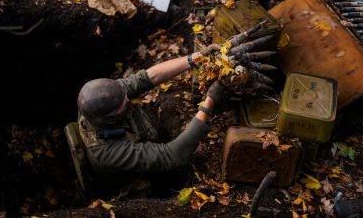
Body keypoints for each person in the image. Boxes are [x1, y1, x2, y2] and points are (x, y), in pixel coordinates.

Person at [76, 29, 275, 194]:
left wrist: (197, 57)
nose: (127, 97)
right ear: (110, 119)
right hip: (132, 177)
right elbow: (172, 155)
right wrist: (210, 100)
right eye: (123, 104)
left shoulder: (104, 98)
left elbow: (147, 78)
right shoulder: (109, 153)